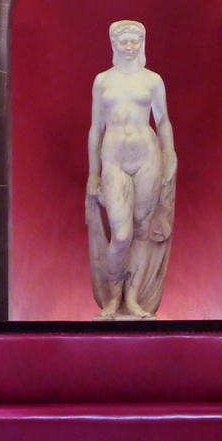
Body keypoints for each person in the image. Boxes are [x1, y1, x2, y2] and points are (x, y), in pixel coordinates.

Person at [86, 20, 177, 319]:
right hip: (114, 159)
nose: (129, 47)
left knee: (141, 231)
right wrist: (93, 173)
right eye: (123, 42)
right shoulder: (102, 80)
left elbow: (162, 121)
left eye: (134, 42)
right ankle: (113, 299)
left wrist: (170, 154)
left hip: (147, 156)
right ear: (114, 44)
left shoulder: (152, 79)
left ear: (142, 43)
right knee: (121, 234)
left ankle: (133, 299)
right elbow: (96, 128)